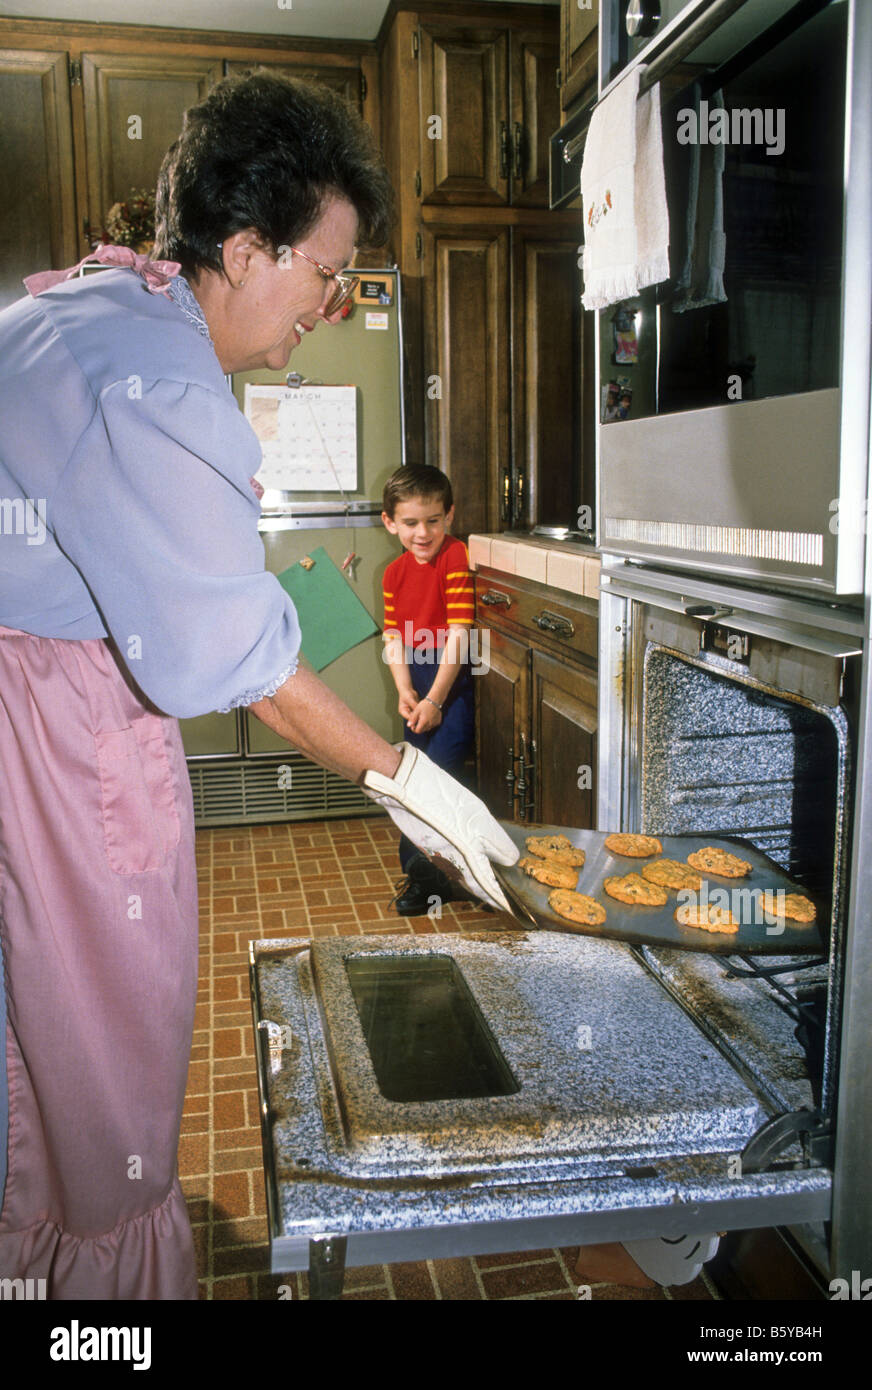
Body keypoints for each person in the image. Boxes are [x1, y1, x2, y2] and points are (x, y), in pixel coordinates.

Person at [0, 71, 516, 1301]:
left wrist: (311, 614)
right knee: (93, 1079)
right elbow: (225, 654)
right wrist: (410, 784)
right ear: (244, 248)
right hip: (53, 752)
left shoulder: (103, 313)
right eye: (326, 273)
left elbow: (171, 594)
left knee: (31, 1064)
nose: (333, 306)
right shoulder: (158, 376)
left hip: (41, 698)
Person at [380, 466, 477, 915]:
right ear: (390, 522)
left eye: (433, 520)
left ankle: (445, 876)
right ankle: (425, 875)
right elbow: (394, 638)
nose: (424, 532)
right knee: (416, 779)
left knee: (441, 778)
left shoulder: (454, 557)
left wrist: (436, 700)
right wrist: (405, 690)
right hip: (417, 682)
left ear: (449, 516)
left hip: (448, 681)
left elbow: (460, 633)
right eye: (412, 522)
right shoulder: (392, 574)